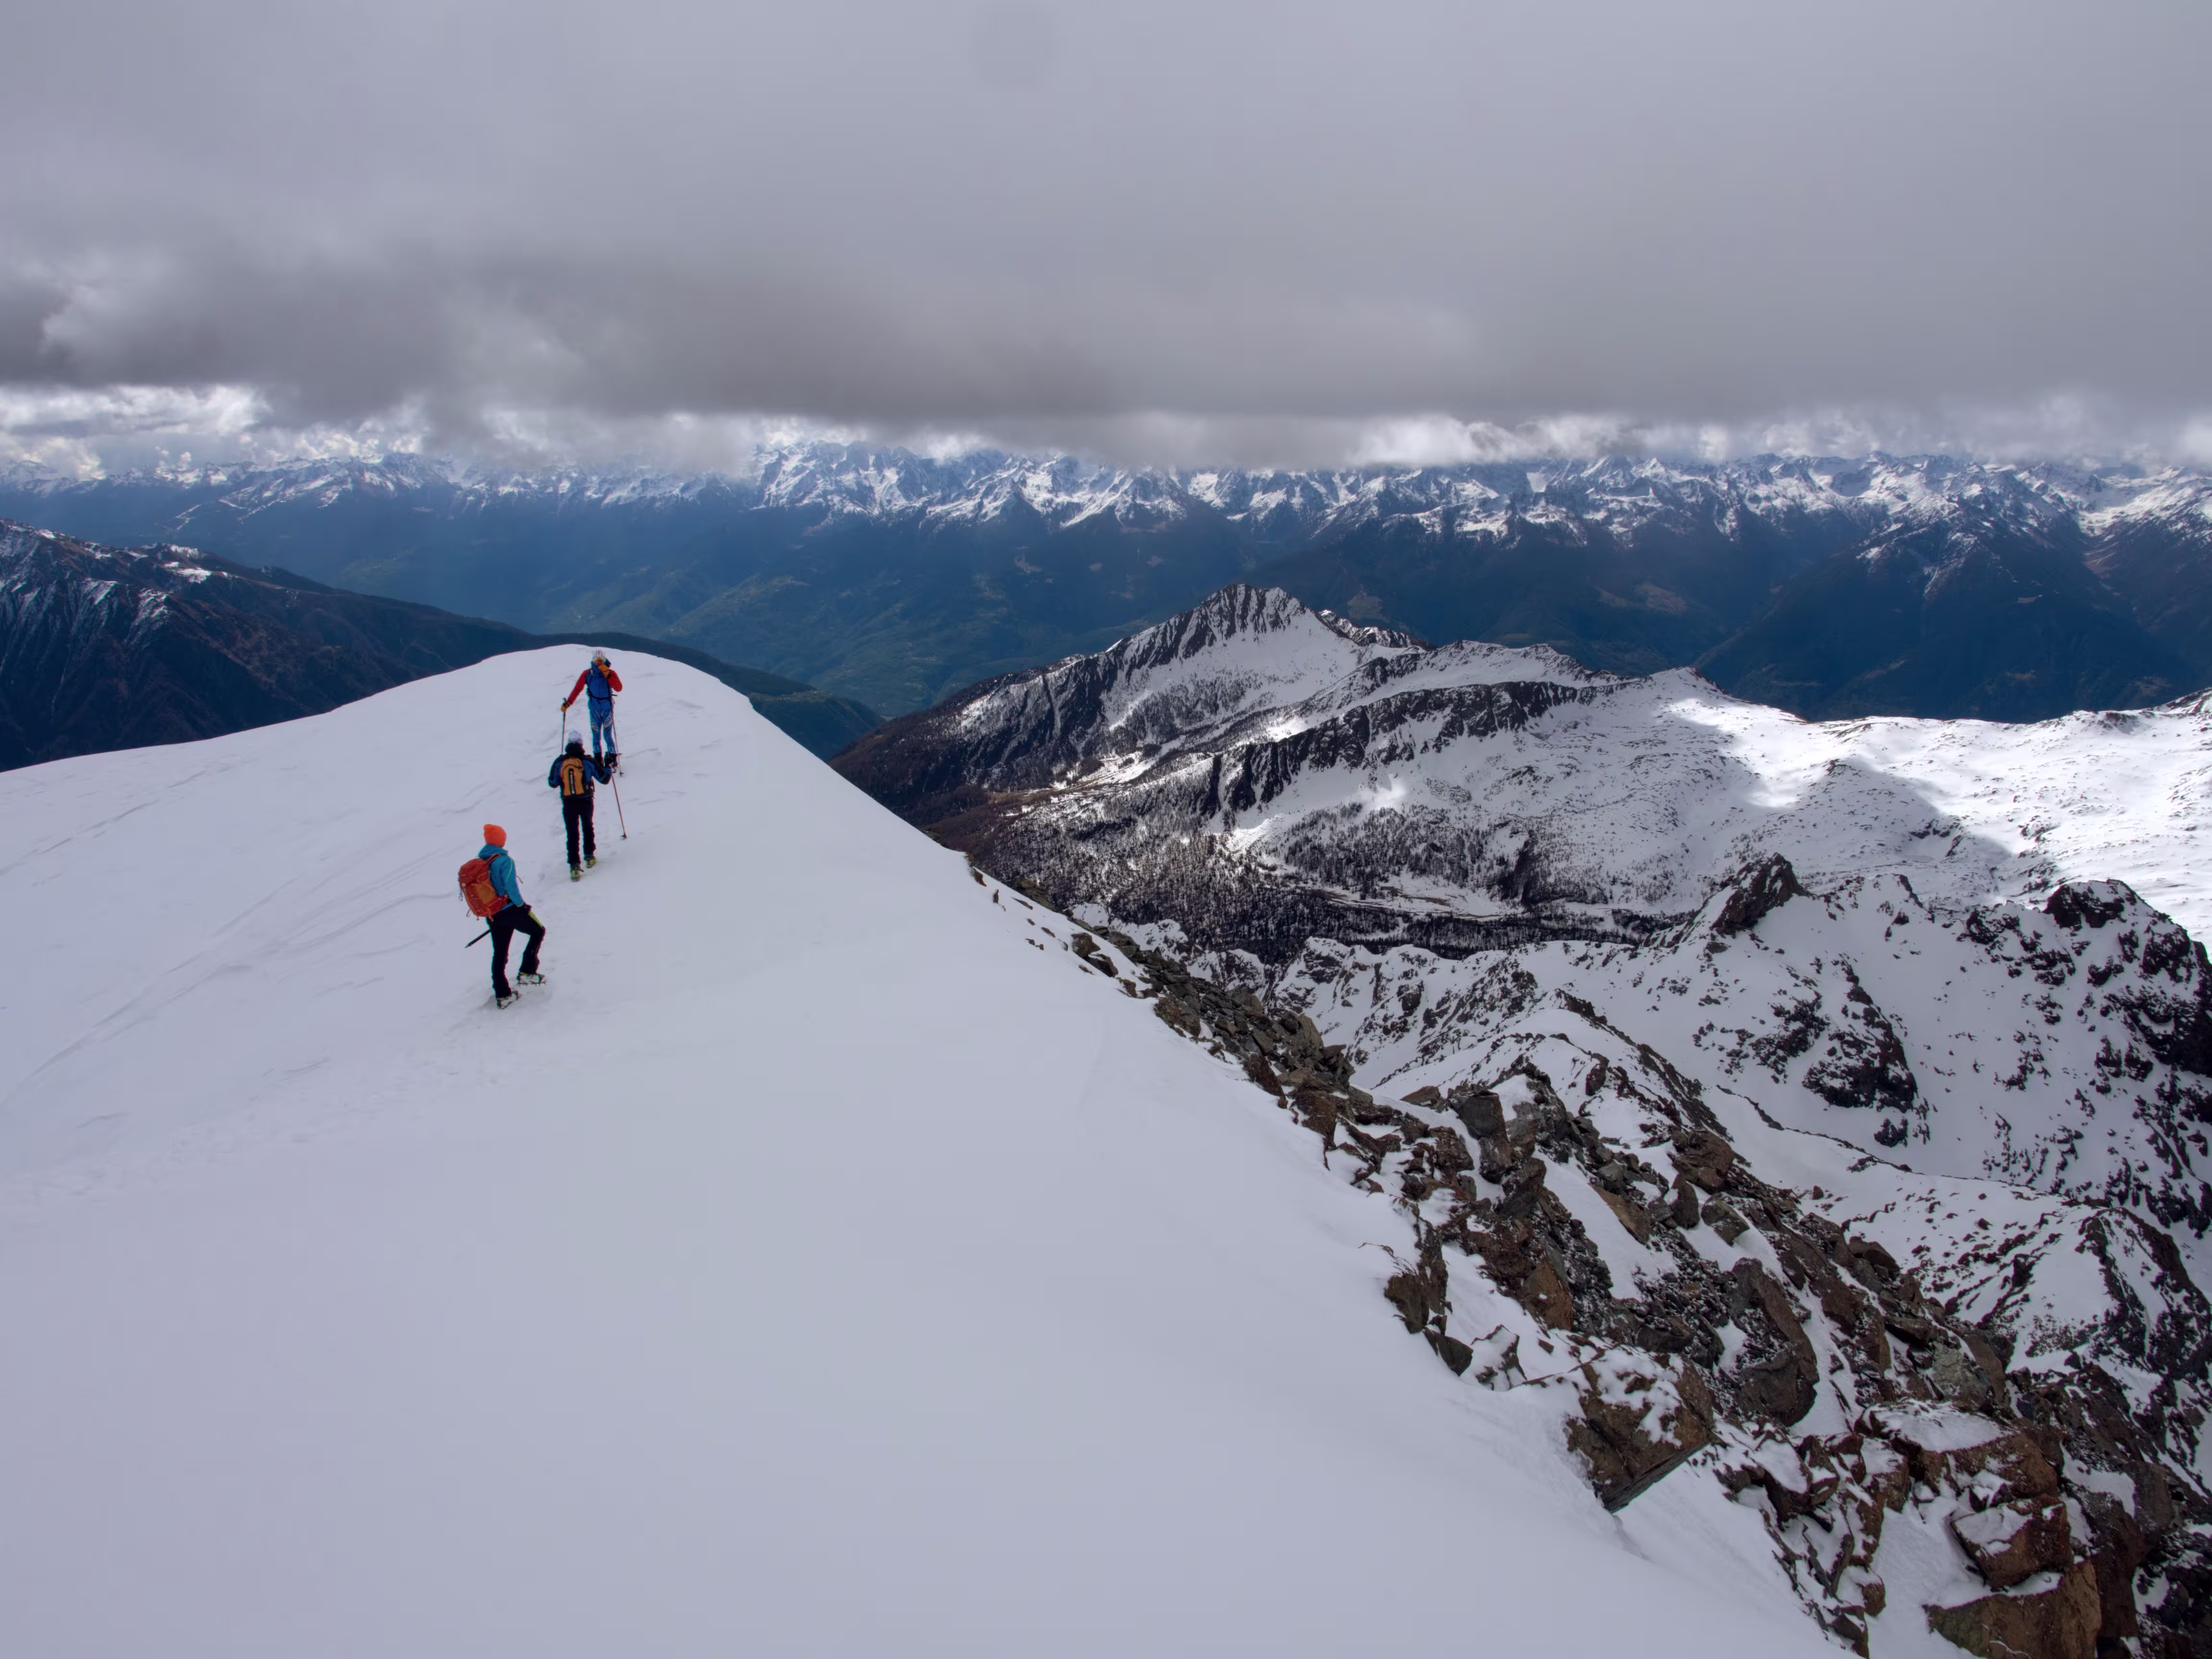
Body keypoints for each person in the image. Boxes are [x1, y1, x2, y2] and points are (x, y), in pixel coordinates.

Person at [479, 823, 545, 1008]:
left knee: (499, 953)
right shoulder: (503, 861)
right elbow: (511, 888)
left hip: (492, 914)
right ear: (501, 840)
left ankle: (503, 994)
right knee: (538, 931)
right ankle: (527, 971)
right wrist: (522, 906)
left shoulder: (482, 861)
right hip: (508, 909)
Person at [547, 732, 611, 879]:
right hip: (586, 800)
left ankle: (574, 865)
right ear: (582, 744)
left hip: (568, 802)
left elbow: (552, 783)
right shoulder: (588, 761)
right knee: (587, 826)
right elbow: (604, 779)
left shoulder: (560, 762)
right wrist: (607, 767)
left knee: (572, 832)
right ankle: (589, 856)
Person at [561, 651, 623, 768]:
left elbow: (619, 688)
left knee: (606, 734)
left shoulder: (608, 673)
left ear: (605, 661)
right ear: (593, 661)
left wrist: (608, 674)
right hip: (598, 708)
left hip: (604, 708)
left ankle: (610, 757)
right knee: (597, 735)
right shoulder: (588, 674)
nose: (599, 663)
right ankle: (600, 758)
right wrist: (568, 703)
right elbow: (577, 689)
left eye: (601, 661)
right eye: (597, 661)